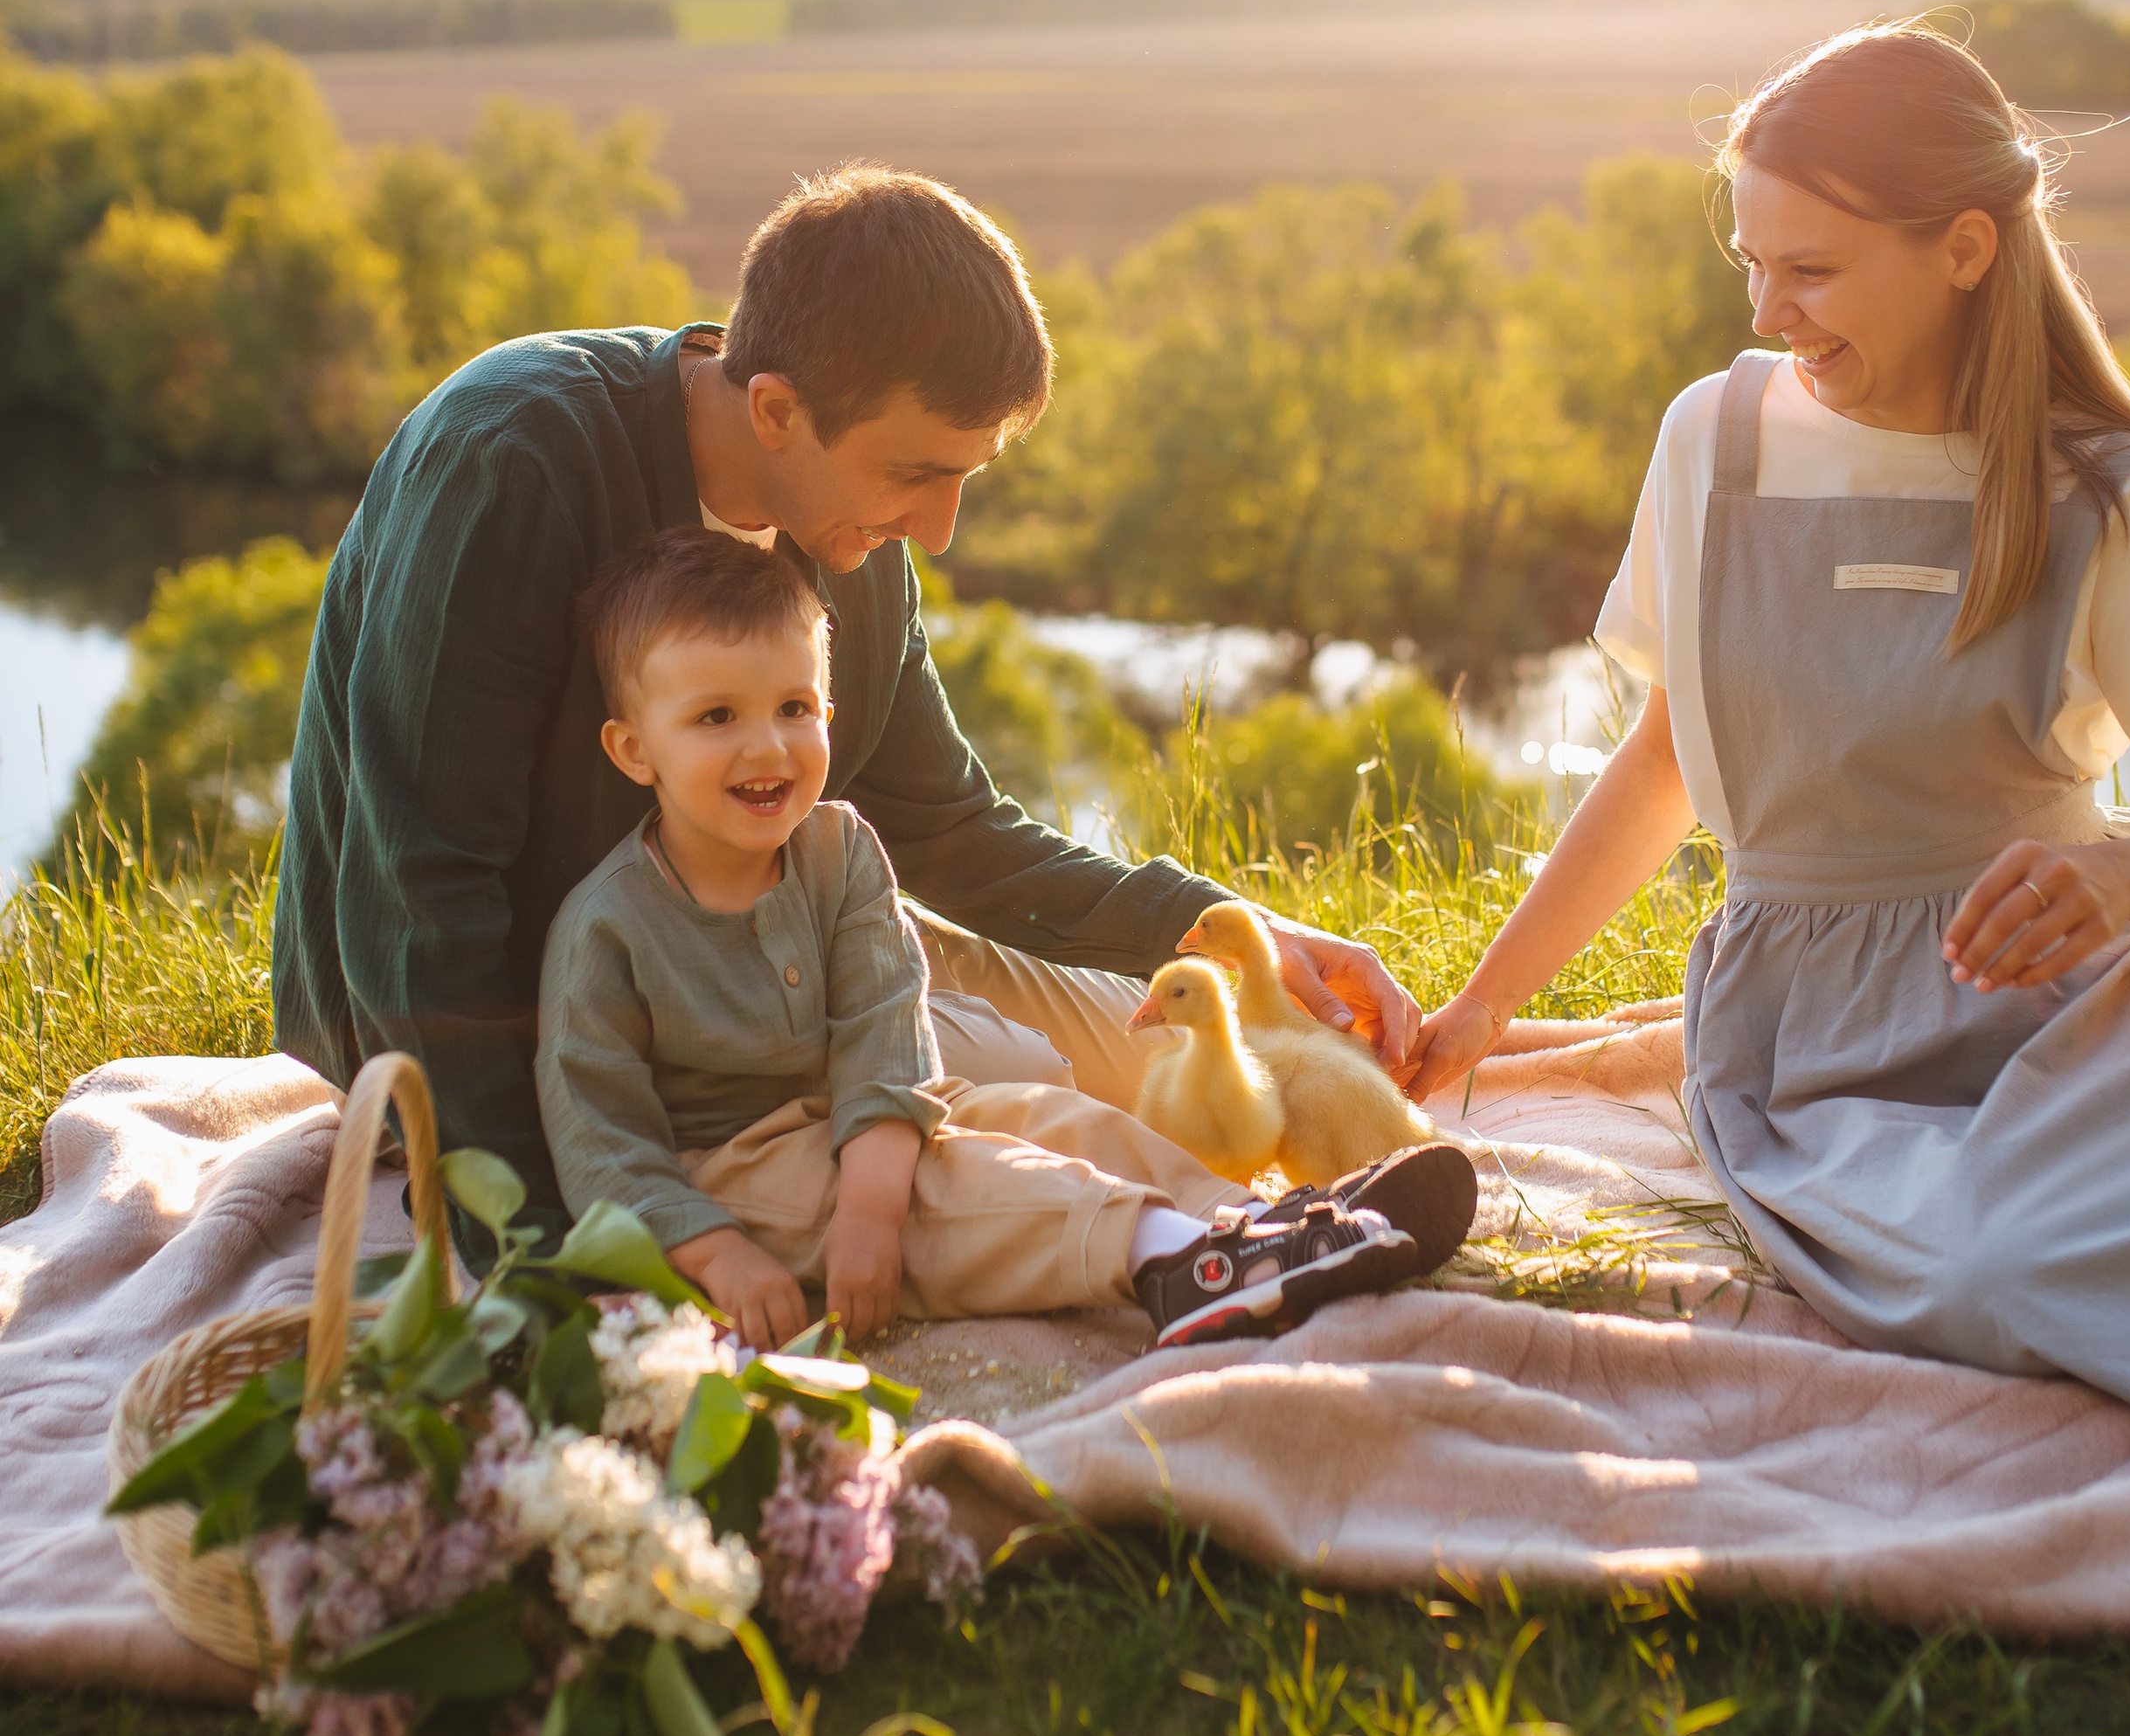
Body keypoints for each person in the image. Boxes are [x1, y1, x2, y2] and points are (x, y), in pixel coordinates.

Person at [275, 163, 1421, 1223]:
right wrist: (544, 1240)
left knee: (1190, 1053)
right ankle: (1213, 1241)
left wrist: (1229, 938)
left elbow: (953, 832)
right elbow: (418, 898)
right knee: (1000, 1108)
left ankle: (1336, 1202)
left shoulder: (855, 544)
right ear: (773, 409)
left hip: (770, 928)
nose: (938, 528)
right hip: (559, 1004)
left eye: (964, 479)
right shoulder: (509, 466)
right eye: (917, 475)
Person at [1411, 23, 2130, 1447]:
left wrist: (2125, 882)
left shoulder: (2110, 491)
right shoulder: (1711, 442)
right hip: (1814, 1049)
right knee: (1999, 1270)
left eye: (1814, 269)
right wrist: (1478, 1013)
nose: (1774, 308)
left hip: (2085, 1019)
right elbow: (1672, 760)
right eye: (1754, 268)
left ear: (1965, 249)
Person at [536, 528, 1476, 1349]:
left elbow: (881, 1017)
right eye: (715, 718)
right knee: (966, 1200)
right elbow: (599, 1134)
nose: (768, 748)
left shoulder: (840, 849)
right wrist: (721, 1251)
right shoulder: (609, 925)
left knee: (1046, 1118)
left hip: (865, 1113)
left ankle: (1256, 1223)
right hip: (736, 1170)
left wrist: (874, 1169)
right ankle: (1184, 1266)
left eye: (793, 708)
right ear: (634, 750)